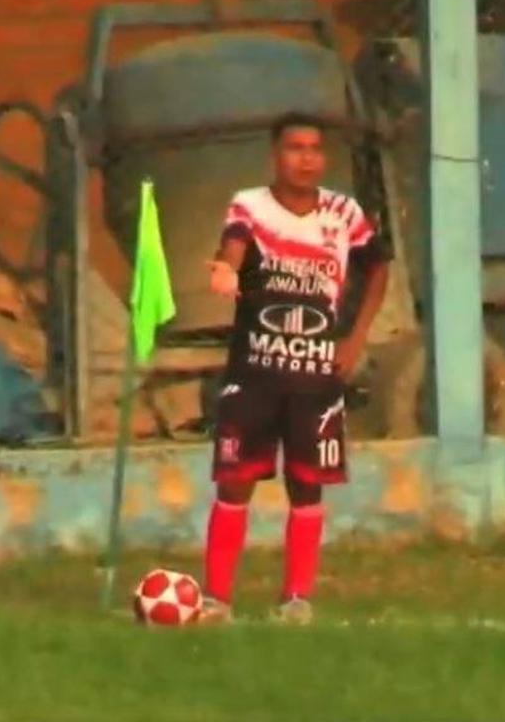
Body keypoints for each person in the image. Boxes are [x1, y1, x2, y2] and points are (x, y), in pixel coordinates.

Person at [200, 112, 390, 625]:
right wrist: (226, 268)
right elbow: (235, 243)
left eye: (314, 149)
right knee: (235, 481)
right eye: (294, 149)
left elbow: (378, 267)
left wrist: (355, 338)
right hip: (255, 372)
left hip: (316, 378)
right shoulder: (251, 205)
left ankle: (296, 600)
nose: (305, 159)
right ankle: (217, 598)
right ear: (275, 156)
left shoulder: (343, 213)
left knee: (306, 484)